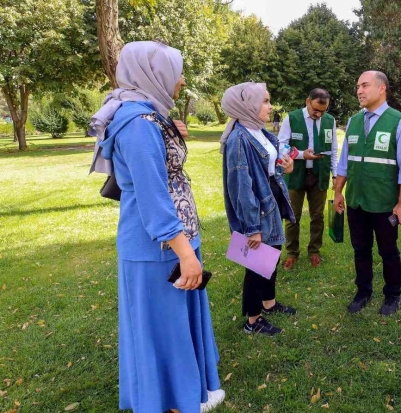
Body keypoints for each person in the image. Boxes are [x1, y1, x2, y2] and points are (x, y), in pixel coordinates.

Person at [89, 41, 224, 413]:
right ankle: (168, 401)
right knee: (164, 333)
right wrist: (185, 253)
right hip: (158, 249)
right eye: (174, 72)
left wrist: (171, 131)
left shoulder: (150, 117)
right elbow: (153, 198)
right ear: (153, 74)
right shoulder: (137, 124)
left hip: (174, 242)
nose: (180, 81)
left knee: (174, 328)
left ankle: (180, 395)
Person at [333, 71, 401, 316]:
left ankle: (392, 295)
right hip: (357, 200)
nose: (359, 90)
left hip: (384, 203)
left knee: (388, 251)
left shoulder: (399, 122)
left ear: (382, 89)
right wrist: (338, 192)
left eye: (365, 85)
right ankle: (363, 291)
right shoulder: (354, 121)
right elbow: (345, 162)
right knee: (360, 249)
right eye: (357, 86)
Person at [220, 82, 297, 336]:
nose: (270, 106)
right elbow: (241, 187)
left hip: (270, 204)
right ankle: (252, 322)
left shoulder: (260, 132)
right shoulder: (239, 138)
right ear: (248, 106)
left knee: (271, 257)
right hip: (257, 210)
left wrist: (284, 168)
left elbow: (268, 169)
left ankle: (269, 303)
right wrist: (251, 228)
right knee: (257, 265)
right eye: (265, 101)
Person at [278, 88, 338, 268]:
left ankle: (314, 250)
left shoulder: (329, 121)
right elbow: (281, 146)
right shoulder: (292, 118)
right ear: (307, 102)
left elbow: (333, 150)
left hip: (319, 175)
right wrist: (301, 155)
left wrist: (335, 175)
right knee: (292, 216)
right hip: (295, 174)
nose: (319, 114)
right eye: (315, 110)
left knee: (317, 216)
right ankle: (292, 252)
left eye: (323, 110)